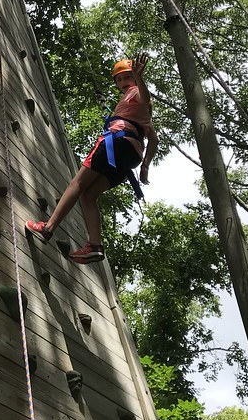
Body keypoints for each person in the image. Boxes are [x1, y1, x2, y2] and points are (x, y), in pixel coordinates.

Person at [26, 54, 157, 264]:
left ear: (134, 78)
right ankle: (94, 246)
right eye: (119, 79)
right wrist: (145, 168)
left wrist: (140, 78)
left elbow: (145, 96)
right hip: (129, 158)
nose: (123, 83)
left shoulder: (136, 93)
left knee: (77, 183)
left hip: (116, 144)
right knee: (88, 196)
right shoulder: (140, 112)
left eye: (127, 77)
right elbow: (154, 141)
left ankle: (47, 228)